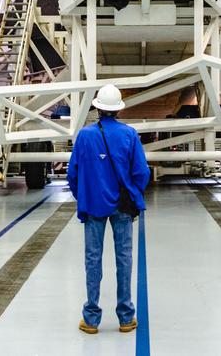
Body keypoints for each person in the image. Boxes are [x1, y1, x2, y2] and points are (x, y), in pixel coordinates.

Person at [67, 84, 150, 335]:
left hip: (93, 207)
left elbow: (73, 174)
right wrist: (133, 195)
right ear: (118, 110)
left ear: (97, 107)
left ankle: (91, 318)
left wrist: (84, 196)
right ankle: (126, 317)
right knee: (124, 259)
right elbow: (142, 172)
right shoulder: (129, 134)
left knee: (93, 259)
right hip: (122, 208)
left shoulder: (84, 136)